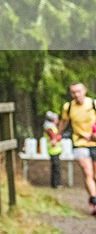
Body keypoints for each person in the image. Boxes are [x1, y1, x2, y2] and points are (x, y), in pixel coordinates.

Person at [58, 82, 96, 213]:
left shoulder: (93, 104)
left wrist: (93, 134)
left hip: (94, 141)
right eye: (73, 92)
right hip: (79, 142)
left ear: (85, 91)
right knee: (87, 171)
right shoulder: (68, 107)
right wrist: (57, 135)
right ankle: (94, 201)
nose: (76, 94)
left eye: (79, 91)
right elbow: (64, 122)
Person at [43, 111, 63, 188]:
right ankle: (56, 184)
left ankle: (56, 183)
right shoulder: (50, 128)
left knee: (56, 167)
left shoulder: (50, 127)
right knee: (56, 167)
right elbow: (53, 140)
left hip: (55, 150)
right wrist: (59, 138)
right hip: (53, 150)